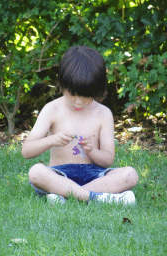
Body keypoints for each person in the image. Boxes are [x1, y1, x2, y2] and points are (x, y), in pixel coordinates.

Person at [22, 45, 139, 204]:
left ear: (96, 91)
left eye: (85, 96)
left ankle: (65, 195)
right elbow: (27, 151)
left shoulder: (103, 114)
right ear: (62, 85)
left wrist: (92, 151)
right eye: (72, 94)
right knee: (36, 172)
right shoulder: (52, 109)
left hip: (95, 176)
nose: (78, 101)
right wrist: (52, 140)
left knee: (130, 175)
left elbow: (107, 160)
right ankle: (95, 197)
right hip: (60, 175)